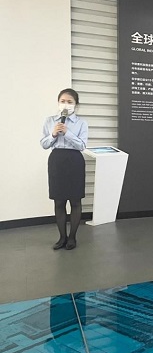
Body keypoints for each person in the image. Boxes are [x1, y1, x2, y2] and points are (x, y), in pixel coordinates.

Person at [41, 88, 89, 251]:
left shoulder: (82, 123)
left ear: (76, 104)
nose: (66, 104)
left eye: (70, 102)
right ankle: (62, 237)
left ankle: (72, 237)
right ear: (58, 102)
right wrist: (53, 134)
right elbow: (44, 144)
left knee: (75, 201)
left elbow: (82, 145)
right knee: (59, 201)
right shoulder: (49, 121)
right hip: (57, 161)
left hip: (75, 161)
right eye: (63, 101)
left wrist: (67, 133)